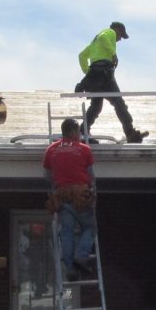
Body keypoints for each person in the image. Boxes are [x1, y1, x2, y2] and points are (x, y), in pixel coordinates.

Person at [76, 21, 148, 143]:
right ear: (118, 29)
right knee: (119, 104)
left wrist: (87, 72)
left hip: (95, 77)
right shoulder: (109, 33)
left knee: (96, 107)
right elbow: (104, 37)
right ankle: (130, 133)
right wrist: (113, 54)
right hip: (105, 74)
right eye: (121, 36)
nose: (119, 39)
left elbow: (81, 56)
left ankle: (83, 131)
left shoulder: (95, 42)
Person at [43, 118, 96, 280]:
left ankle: (70, 270)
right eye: (79, 132)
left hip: (62, 195)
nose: (80, 135)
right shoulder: (84, 149)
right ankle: (81, 257)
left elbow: (47, 175)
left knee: (66, 232)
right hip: (81, 195)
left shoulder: (51, 149)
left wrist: (59, 186)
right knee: (90, 227)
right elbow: (91, 174)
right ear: (73, 132)